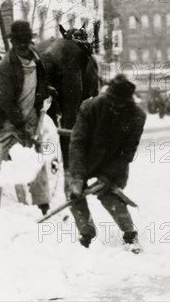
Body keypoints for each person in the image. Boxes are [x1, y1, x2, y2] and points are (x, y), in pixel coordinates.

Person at [0, 20, 54, 214]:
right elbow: (6, 103)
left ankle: (39, 207)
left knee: (32, 163)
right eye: (17, 41)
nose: (21, 45)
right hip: (1, 124)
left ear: (30, 41)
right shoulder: (4, 67)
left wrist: (49, 94)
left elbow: (42, 85)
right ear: (12, 42)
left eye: (25, 40)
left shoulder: (37, 61)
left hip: (26, 120)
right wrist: (21, 128)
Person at [67, 74, 147, 253]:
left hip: (114, 162)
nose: (116, 106)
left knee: (109, 193)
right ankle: (87, 234)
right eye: (113, 101)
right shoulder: (90, 107)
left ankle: (130, 235)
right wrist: (78, 177)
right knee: (73, 193)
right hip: (86, 158)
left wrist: (107, 177)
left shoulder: (137, 116)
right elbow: (77, 142)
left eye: (121, 103)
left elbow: (128, 152)